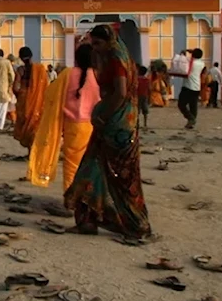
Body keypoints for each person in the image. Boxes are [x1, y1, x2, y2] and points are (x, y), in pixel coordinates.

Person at [64, 25, 150, 239]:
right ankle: (88, 220)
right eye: (92, 44)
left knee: (120, 178)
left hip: (117, 126)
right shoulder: (110, 58)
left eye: (97, 44)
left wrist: (103, 115)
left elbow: (120, 93)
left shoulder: (116, 60)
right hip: (110, 126)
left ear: (109, 42)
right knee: (91, 170)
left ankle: (136, 224)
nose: (95, 48)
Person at [29, 44, 101, 191]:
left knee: (71, 164)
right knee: (91, 163)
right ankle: (87, 196)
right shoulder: (98, 75)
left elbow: (50, 92)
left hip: (72, 126)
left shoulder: (68, 73)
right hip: (92, 126)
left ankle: (71, 196)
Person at [13, 47, 49, 150]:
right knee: (35, 124)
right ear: (31, 55)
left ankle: (30, 150)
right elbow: (46, 86)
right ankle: (34, 150)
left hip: (24, 100)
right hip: (38, 102)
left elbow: (16, 87)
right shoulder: (41, 69)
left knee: (26, 124)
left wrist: (20, 95)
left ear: (20, 57)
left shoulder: (20, 70)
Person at [172, 48, 204, 129]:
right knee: (193, 105)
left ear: (193, 55)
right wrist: (192, 52)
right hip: (197, 87)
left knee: (181, 104)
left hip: (188, 86)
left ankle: (191, 118)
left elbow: (180, 60)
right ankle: (191, 122)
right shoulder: (201, 63)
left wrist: (183, 52)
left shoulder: (190, 62)